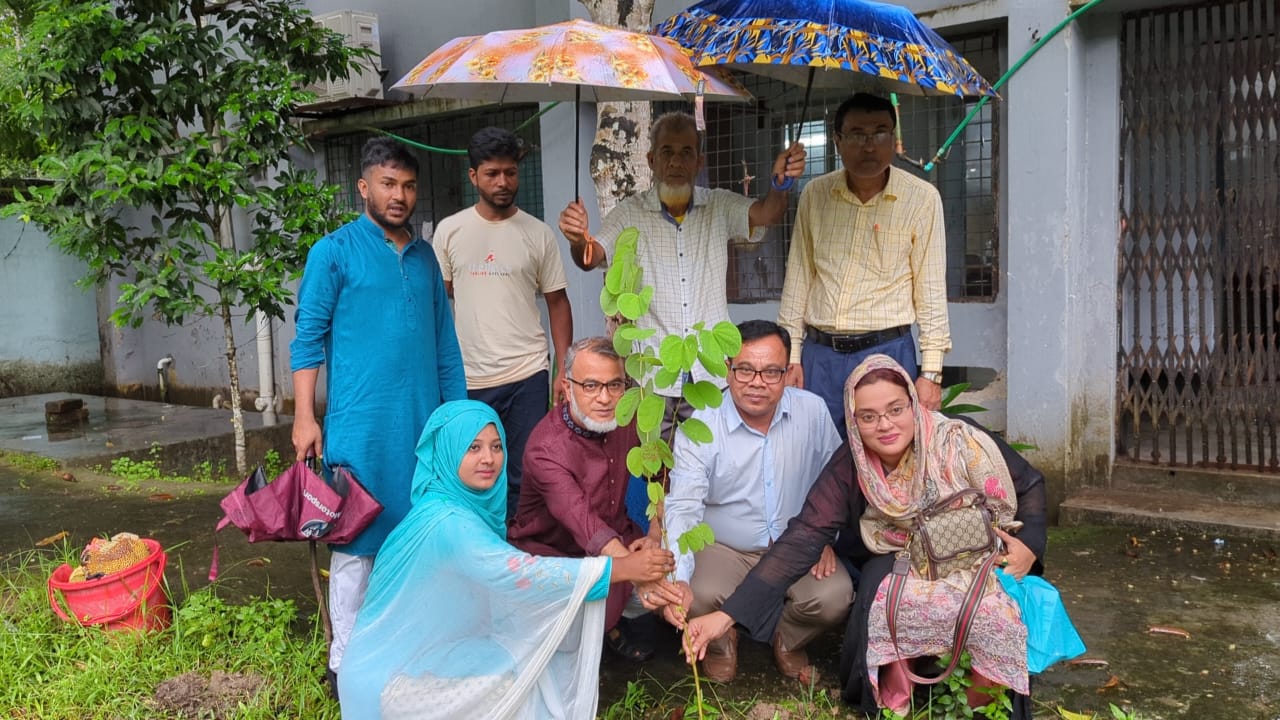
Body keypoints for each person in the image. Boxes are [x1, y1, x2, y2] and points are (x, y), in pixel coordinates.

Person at [683, 354, 1047, 719]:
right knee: (880, 594)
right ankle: (890, 696)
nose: (885, 425)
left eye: (895, 409)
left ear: (913, 403)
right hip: (898, 550)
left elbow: (1029, 484)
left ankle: (981, 703)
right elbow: (804, 535)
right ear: (853, 421)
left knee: (996, 612)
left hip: (973, 552)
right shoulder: (851, 463)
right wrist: (727, 616)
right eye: (868, 416)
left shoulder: (958, 437)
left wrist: (1029, 547)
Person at [337, 400, 674, 719]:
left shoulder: (453, 504)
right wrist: (616, 569)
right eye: (473, 447)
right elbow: (516, 573)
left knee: (526, 668)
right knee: (521, 685)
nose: (488, 459)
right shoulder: (448, 523)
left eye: (496, 446)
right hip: (388, 687)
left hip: (420, 658)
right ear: (447, 453)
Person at [289, 136, 467, 689]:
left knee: (417, 536)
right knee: (355, 541)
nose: (400, 195)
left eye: (409, 186)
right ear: (363, 187)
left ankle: (403, 643)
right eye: (388, 184)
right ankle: (343, 660)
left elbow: (445, 345)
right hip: (359, 427)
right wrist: (304, 416)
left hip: (421, 424)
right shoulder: (333, 252)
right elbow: (307, 338)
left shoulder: (424, 255)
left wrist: (457, 420)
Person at [558, 111, 805, 431]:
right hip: (655, 379)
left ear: (699, 161)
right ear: (650, 159)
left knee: (718, 469)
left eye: (686, 152)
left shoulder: (719, 205)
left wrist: (780, 184)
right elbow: (590, 257)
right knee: (659, 475)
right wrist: (579, 239)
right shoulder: (630, 213)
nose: (676, 162)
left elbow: (768, 212)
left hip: (712, 375)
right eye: (667, 152)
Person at [659, 320, 849, 684]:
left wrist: (823, 537)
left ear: (789, 372)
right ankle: (721, 642)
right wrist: (678, 578)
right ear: (727, 370)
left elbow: (836, 482)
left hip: (794, 545)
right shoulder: (702, 423)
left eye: (771, 372)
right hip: (723, 547)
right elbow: (682, 505)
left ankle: (787, 641)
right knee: (694, 593)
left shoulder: (812, 411)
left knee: (834, 596)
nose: (757, 382)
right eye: (745, 369)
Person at [778, 93, 951, 432]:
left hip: (886, 353)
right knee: (820, 461)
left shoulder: (921, 199)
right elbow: (798, 278)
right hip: (820, 357)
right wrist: (792, 355)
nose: (869, 145)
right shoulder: (815, 194)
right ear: (838, 140)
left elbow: (930, 289)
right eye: (857, 134)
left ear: (894, 137)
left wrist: (931, 372)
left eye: (880, 132)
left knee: (885, 464)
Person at [435, 127, 573, 518]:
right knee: (473, 471)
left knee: (525, 471)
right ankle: (479, 548)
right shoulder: (451, 231)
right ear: (473, 176)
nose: (503, 182)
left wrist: (563, 369)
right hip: (468, 377)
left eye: (510, 172)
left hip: (526, 373)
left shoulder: (538, 233)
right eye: (492, 173)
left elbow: (558, 303)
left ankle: (521, 551)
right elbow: (437, 301)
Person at [508, 336, 673, 662]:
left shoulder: (628, 419)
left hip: (617, 536)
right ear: (567, 388)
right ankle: (598, 627)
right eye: (590, 386)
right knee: (569, 640)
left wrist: (654, 534)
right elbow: (583, 523)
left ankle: (610, 622)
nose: (605, 398)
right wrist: (634, 568)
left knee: (674, 566)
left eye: (614, 385)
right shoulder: (546, 448)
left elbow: (660, 476)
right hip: (554, 555)